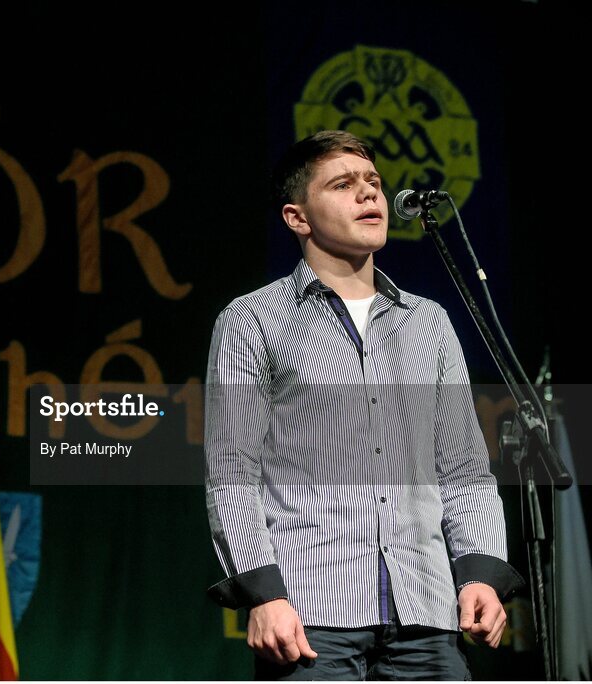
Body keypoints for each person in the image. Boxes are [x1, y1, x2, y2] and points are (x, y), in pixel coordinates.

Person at [204, 130, 524, 680]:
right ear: (297, 217)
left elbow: (464, 468)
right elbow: (233, 470)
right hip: (310, 615)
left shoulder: (428, 322)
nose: (369, 194)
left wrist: (479, 576)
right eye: (344, 184)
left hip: (426, 610)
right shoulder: (253, 320)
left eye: (373, 182)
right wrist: (262, 593)